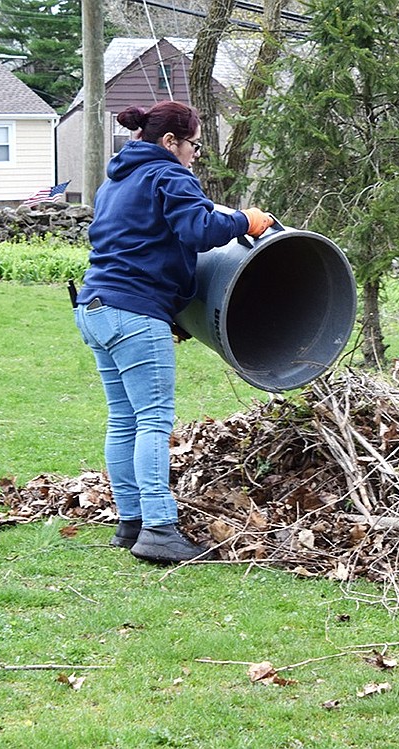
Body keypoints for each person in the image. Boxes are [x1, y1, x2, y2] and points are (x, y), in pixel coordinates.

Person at [74, 101, 274, 564]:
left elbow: (142, 245)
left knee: (124, 419)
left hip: (96, 308)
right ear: (170, 143)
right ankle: (160, 530)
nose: (194, 155)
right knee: (152, 419)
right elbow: (198, 228)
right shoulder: (169, 174)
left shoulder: (117, 179)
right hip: (132, 312)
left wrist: (171, 311)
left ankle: (131, 522)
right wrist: (244, 220)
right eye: (194, 146)